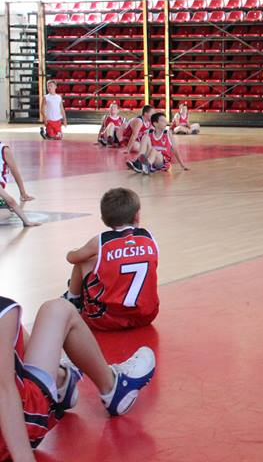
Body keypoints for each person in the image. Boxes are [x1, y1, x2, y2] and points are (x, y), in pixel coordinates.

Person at [0, 295, 156, 461]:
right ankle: (112, 387)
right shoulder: (4, 313)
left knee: (12, 334)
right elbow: (4, 390)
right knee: (59, 309)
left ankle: (61, 379)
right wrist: (23, 457)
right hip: (17, 432)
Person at [62, 188, 159, 331]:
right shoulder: (149, 237)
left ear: (104, 220)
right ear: (137, 216)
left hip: (105, 320)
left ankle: (73, 299)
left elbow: (72, 259)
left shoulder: (101, 241)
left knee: (85, 260)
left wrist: (73, 251)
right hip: (147, 316)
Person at [0, 141, 38, 227]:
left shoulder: (4, 150)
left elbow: (15, 171)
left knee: (7, 211)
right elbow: (11, 201)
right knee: (7, 212)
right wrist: (26, 221)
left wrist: (23, 193)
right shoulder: (4, 150)